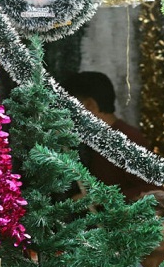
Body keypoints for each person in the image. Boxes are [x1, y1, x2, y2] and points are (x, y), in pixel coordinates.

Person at [61, 71, 155, 201]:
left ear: (90, 105)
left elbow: (152, 191)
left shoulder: (127, 140)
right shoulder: (92, 141)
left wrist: (100, 198)